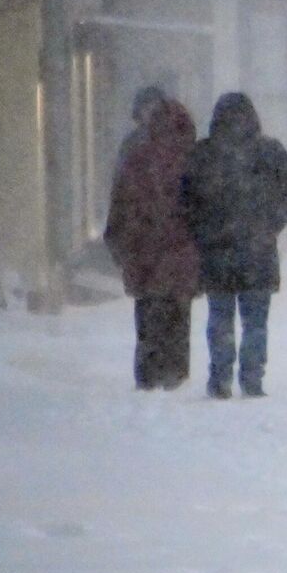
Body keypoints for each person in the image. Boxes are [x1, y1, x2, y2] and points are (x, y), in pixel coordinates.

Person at [180, 93, 287, 399]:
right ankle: (252, 377)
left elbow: (186, 200)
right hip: (257, 254)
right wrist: (269, 225)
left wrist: (204, 231)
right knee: (255, 321)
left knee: (220, 318)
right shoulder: (269, 152)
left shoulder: (204, 155)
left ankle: (220, 377)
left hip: (218, 253)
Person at [104, 89, 199, 390]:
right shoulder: (193, 158)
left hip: (144, 252)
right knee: (178, 315)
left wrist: (119, 243)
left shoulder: (136, 157)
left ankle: (148, 374)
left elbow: (121, 203)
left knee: (148, 314)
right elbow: (205, 206)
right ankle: (175, 373)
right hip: (182, 254)